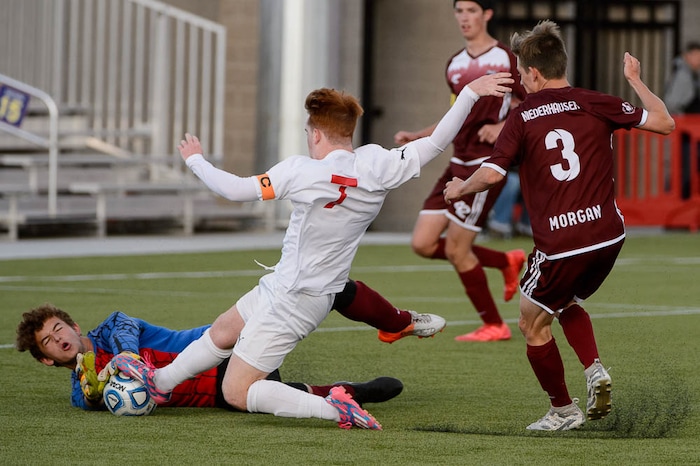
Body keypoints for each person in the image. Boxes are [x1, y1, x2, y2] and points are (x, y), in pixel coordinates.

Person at [113, 73, 515, 430]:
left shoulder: (300, 171)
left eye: (309, 133)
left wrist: (195, 160)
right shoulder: (377, 165)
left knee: (238, 391)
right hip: (296, 287)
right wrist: (469, 95)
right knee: (223, 330)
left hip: (294, 297)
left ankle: (334, 408)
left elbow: (235, 190)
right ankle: (161, 384)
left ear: (316, 133)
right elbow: (437, 141)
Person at [444, 20, 675, 431]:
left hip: (561, 242)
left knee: (531, 322)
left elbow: (494, 175)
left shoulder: (524, 115)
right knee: (563, 300)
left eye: (521, 72)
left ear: (532, 73)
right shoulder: (594, 101)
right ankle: (593, 369)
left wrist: (460, 188)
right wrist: (635, 80)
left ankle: (563, 411)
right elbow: (664, 122)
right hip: (608, 234)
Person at [394, 0, 527, 342]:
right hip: (456, 162)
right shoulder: (454, 64)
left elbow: (531, 103)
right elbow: (456, 116)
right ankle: (504, 261)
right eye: (459, 11)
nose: (464, 18)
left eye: (471, 10)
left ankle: (495, 325)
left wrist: (502, 127)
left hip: (484, 167)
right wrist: (418, 134)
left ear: (487, 15)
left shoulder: (507, 59)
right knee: (422, 243)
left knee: (456, 250)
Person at [16, 304, 404, 411]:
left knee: (291, 313)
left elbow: (126, 332)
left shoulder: (113, 327)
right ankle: (350, 394)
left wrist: (127, 358)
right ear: (45, 358)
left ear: (72, 324)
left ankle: (341, 297)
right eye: (48, 341)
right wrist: (95, 393)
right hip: (216, 395)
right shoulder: (80, 389)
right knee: (270, 398)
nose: (58, 338)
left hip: (220, 352)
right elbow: (86, 401)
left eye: (58, 328)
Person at [663, 41, 700, 199]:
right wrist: (682, 119)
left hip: (691, 131)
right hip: (686, 132)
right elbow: (672, 103)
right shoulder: (684, 75)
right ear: (688, 55)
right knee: (687, 168)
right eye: (697, 55)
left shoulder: (691, 74)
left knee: (688, 167)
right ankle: (677, 203)